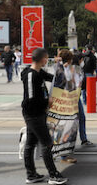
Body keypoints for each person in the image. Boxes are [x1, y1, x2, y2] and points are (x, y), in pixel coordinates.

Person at [20, 48, 68, 184]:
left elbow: (54, 79)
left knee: (31, 144)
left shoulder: (39, 72)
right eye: (47, 58)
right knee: (47, 144)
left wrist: (60, 66)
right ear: (42, 59)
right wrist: (48, 102)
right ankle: (53, 175)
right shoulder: (31, 75)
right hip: (33, 114)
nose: (47, 60)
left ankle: (31, 175)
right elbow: (30, 99)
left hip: (38, 113)